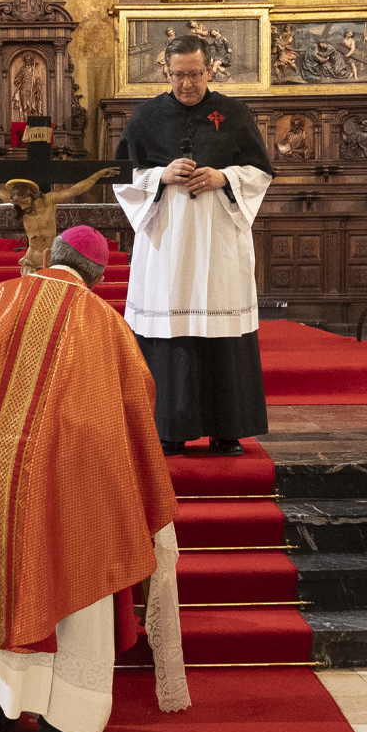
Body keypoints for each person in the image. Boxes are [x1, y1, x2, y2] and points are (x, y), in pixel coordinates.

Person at [0, 226, 188, 732]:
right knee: (74, 581)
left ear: (48, 257)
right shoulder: (105, 322)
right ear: (97, 277)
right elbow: (135, 407)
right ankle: (64, 727)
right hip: (70, 489)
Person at [114, 35, 274, 456]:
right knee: (169, 330)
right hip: (168, 241)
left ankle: (227, 429)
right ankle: (170, 428)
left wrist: (225, 177)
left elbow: (261, 171)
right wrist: (159, 176)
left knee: (224, 331)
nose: (186, 84)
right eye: (178, 75)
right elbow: (121, 176)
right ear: (166, 72)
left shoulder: (234, 114)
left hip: (219, 239)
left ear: (210, 70)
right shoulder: (147, 116)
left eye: (195, 74)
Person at [0, 166, 121, 276]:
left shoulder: (49, 201)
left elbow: (75, 190)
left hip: (53, 258)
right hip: (32, 260)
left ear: (31, 195)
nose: (21, 206)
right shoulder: (21, 205)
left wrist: (97, 176)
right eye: (18, 203)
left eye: (23, 201)